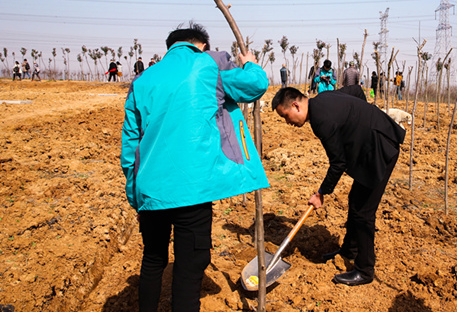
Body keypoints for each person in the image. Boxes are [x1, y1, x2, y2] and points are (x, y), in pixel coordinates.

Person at [121, 22, 270, 311]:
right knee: (190, 267)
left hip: (151, 191)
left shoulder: (142, 80)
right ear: (201, 45)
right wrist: (250, 64)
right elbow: (256, 86)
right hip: (193, 189)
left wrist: (135, 196)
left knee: (153, 260)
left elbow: (130, 147)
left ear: (170, 48)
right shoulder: (208, 64)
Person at [272, 87, 405, 286]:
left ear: (295, 105)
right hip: (370, 148)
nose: (288, 122)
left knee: (363, 213)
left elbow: (338, 163)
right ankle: (349, 250)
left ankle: (365, 270)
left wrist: (321, 193)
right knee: (355, 201)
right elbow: (356, 91)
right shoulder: (324, 97)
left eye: (286, 116)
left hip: (381, 150)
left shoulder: (321, 121)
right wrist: (364, 118)